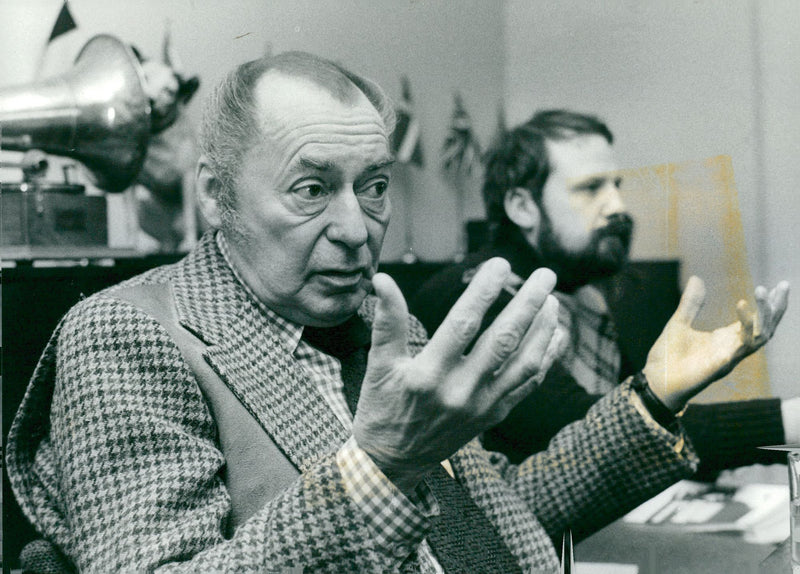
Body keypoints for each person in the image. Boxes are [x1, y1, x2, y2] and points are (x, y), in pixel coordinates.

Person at [6, 54, 789, 574]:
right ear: (216, 195)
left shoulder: (381, 326)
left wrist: (652, 400)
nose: (356, 228)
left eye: (373, 186)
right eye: (311, 189)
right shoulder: (128, 333)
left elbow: (495, 522)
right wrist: (380, 467)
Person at [411, 109, 799, 472]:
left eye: (615, 186)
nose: (617, 206)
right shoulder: (476, 297)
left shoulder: (580, 295)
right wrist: (787, 422)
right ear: (521, 206)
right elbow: (588, 432)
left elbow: (633, 420)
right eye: (590, 188)